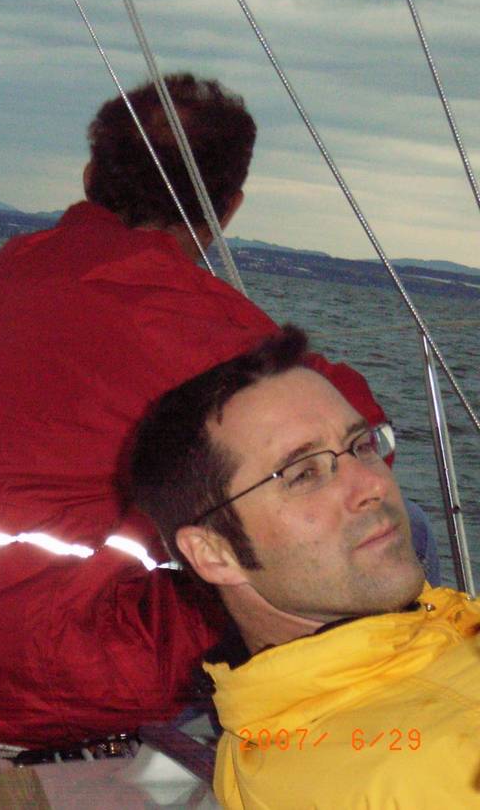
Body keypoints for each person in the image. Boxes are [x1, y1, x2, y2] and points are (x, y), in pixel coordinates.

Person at [0, 74, 436, 750]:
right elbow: (354, 437)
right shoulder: (180, 312)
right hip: (52, 680)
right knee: (389, 525)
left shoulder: (10, 273)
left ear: (89, 177)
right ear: (227, 209)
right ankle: (366, 755)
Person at [129, 325, 478, 808]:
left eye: (362, 446)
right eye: (303, 474)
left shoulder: (264, 739)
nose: (373, 485)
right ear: (214, 552)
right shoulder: (429, 770)